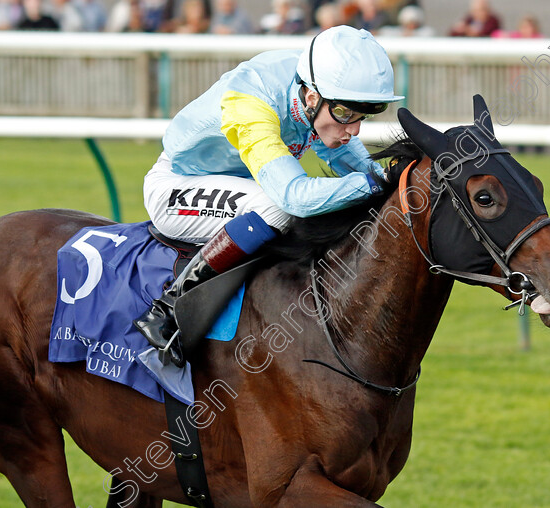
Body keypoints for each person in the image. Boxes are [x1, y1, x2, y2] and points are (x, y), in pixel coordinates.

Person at [134, 25, 404, 366]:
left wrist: (385, 177)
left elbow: (349, 158)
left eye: (361, 116)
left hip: (231, 184)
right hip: (176, 186)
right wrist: (375, 183)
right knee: (277, 208)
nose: (354, 129)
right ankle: (169, 309)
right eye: (346, 114)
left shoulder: (313, 88)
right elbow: (295, 197)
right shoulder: (251, 105)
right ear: (311, 97)